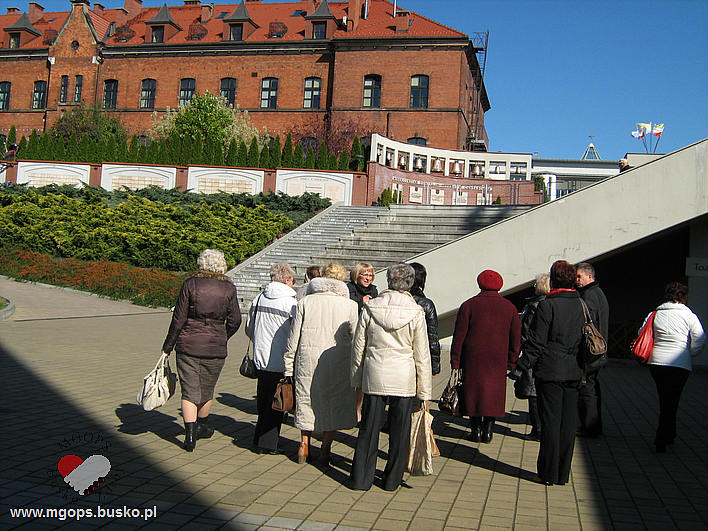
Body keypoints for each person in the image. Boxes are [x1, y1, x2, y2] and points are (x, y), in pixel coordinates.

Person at [348, 263, 432, 491]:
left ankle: (360, 478)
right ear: (410, 283)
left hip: (375, 374)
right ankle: (392, 480)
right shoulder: (415, 311)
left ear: (388, 281)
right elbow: (422, 355)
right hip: (403, 377)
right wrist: (424, 392)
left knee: (368, 428)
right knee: (400, 430)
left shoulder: (371, 307)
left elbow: (359, 347)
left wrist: (356, 380)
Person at [161, 249, 241, 452]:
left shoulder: (190, 284)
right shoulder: (229, 288)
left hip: (188, 343)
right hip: (215, 346)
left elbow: (178, 319)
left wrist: (167, 347)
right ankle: (202, 425)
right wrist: (223, 336)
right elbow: (235, 320)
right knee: (206, 388)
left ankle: (189, 435)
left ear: (201, 264)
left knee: (189, 390)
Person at [516, 260, 585, 486]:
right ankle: (562, 473)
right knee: (568, 424)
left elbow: (536, 342)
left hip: (550, 369)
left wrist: (521, 366)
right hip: (574, 369)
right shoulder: (582, 304)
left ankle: (547, 473)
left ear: (554, 279)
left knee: (551, 424)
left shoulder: (548, 305)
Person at [284, 263, 359, 465]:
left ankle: (303, 444)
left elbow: (294, 337)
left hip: (308, 356)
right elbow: (355, 338)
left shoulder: (306, 302)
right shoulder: (351, 305)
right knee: (333, 401)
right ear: (341, 280)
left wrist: (288, 364)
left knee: (306, 398)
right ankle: (325, 448)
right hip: (338, 358)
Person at [450, 269, 521, 443]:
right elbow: (515, 338)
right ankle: (488, 430)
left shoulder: (469, 305)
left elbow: (459, 335)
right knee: (492, 395)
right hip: (498, 360)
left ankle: (475, 430)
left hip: (473, 358)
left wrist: (455, 361)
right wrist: (512, 361)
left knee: (473, 393)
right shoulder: (509, 308)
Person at [643, 281, 705, 452]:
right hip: (680, 365)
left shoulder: (655, 314)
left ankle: (668, 433)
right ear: (684, 297)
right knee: (672, 400)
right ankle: (663, 437)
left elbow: (643, 332)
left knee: (665, 398)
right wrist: (688, 353)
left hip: (656, 362)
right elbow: (700, 338)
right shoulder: (689, 316)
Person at [246, 262, 298, 455]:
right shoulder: (291, 303)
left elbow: (249, 327)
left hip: (261, 357)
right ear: (287, 280)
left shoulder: (259, 298)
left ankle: (258, 436)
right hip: (282, 358)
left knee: (263, 398)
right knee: (278, 401)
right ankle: (267, 443)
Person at [575, 262, 609, 437]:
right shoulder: (598, 293)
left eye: (579, 276)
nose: (576, 280)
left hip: (591, 351)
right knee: (593, 388)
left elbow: (587, 324)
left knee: (587, 390)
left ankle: (590, 426)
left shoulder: (589, 296)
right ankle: (594, 425)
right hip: (599, 350)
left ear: (590, 276)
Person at [516, 273, 551, 440]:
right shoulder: (552, 303)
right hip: (548, 356)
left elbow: (525, 331)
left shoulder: (535, 305)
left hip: (533, 354)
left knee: (534, 395)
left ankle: (537, 430)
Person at [409, 262, 441, 376]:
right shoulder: (426, 304)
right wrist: (435, 365)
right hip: (421, 356)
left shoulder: (393, 300)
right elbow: (432, 336)